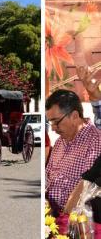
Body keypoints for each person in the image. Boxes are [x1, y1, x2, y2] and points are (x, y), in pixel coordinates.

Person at [45, 89, 101, 233]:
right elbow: (47, 176)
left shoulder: (96, 142)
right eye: (50, 122)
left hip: (75, 224)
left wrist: (61, 221)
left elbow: (87, 190)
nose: (53, 128)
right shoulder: (59, 142)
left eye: (56, 122)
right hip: (50, 217)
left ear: (75, 116)